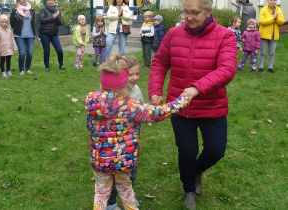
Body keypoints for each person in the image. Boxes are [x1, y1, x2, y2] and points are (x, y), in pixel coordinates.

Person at [148, 0, 237, 209]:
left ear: (208, 11)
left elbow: (226, 70)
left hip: (212, 105)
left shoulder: (225, 35)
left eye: (194, 13)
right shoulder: (173, 34)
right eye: (185, 12)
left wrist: (197, 88)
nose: (188, 18)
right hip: (180, 106)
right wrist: (155, 91)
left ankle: (195, 171)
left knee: (216, 150)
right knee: (187, 151)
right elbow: (160, 62)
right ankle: (188, 188)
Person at [85, 54, 189, 210]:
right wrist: (183, 100)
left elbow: (89, 127)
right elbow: (159, 113)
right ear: (123, 81)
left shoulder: (92, 103)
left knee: (100, 193)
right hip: (123, 160)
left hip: (100, 160)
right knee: (126, 190)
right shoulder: (131, 106)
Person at [106, 55, 143, 210]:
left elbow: (142, 110)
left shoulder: (136, 90)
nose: (135, 78)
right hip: (113, 143)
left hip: (131, 142)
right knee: (115, 175)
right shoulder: (111, 94)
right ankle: (111, 203)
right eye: (130, 74)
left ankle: (128, 196)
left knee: (131, 173)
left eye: (137, 74)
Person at [258, 0, 285, 73]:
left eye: (274, 0)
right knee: (262, 52)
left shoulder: (279, 10)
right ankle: (260, 67)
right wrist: (273, 18)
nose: (272, 2)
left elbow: (282, 21)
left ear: (276, 1)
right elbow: (261, 21)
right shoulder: (263, 9)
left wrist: (276, 18)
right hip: (264, 34)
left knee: (272, 52)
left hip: (274, 34)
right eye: (270, 0)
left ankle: (270, 67)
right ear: (267, 1)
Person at [10, 0, 35, 75]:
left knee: (30, 52)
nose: (23, 0)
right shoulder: (15, 10)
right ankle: (21, 70)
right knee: (22, 52)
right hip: (19, 35)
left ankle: (27, 68)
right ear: (18, 0)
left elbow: (34, 21)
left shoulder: (32, 9)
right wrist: (17, 29)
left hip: (30, 35)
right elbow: (12, 23)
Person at [39, 0, 66, 71]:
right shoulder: (43, 10)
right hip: (45, 33)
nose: (50, 2)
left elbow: (60, 23)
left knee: (59, 50)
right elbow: (42, 20)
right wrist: (53, 17)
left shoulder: (57, 10)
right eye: (49, 0)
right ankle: (47, 67)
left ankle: (61, 65)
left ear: (54, 1)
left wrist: (57, 17)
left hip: (54, 34)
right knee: (47, 51)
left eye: (52, 0)